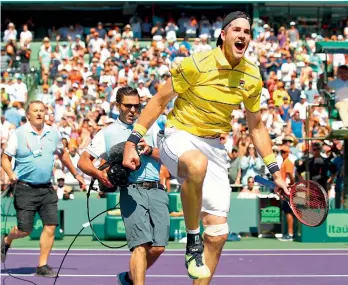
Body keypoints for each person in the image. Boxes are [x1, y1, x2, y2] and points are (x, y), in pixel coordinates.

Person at [122, 11, 289, 283]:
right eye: (236, 30)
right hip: (179, 136)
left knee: (219, 233)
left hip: (214, 145)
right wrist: (132, 140)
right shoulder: (197, 64)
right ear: (223, 35)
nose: (243, 35)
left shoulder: (252, 76)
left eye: (247, 32)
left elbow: (256, 127)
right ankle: (192, 241)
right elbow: (159, 101)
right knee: (196, 164)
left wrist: (276, 172)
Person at [77, 87, 169, 285]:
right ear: (117, 105)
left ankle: (127, 278)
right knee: (141, 245)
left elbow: (169, 156)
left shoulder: (152, 127)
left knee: (159, 247)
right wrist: (99, 174)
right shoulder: (107, 133)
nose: (133, 110)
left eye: (137, 106)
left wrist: (149, 149)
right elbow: (83, 161)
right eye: (128, 105)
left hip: (157, 189)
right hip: (131, 191)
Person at [1, 100, 85, 277]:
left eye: (42, 110)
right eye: (35, 111)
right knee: (25, 230)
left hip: (46, 188)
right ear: (28, 115)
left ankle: (42, 265)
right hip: (24, 188)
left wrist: (77, 175)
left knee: (51, 225)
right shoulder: (18, 134)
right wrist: (10, 173)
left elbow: (64, 156)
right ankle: (6, 240)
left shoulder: (53, 133)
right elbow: (5, 159)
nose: (39, 113)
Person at [278, 145, 295, 241]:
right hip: (285, 189)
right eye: (281, 152)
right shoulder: (284, 162)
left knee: (289, 212)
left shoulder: (288, 162)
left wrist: (291, 185)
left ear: (288, 153)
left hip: (288, 190)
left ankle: (290, 234)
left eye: (284, 152)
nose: (282, 154)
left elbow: (290, 175)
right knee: (287, 211)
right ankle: (290, 233)